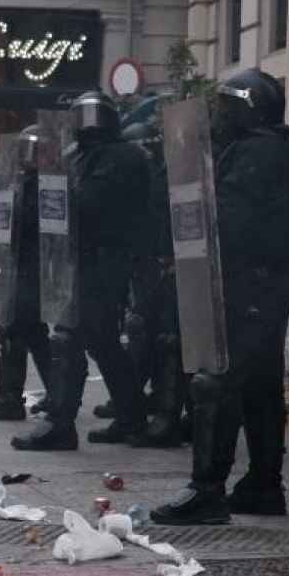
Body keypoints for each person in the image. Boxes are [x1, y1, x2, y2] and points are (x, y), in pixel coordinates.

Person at [152, 69, 289, 522]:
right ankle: (263, 484)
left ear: (248, 106)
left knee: (215, 383)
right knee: (260, 386)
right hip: (261, 282)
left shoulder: (259, 153)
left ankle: (207, 490)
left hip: (250, 282)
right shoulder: (267, 150)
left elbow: (231, 220)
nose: (220, 114)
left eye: (227, 105)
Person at [13, 93, 150, 452]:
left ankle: (61, 424)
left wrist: (60, 190)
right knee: (102, 343)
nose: (86, 123)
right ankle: (132, 418)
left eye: (90, 115)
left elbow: (92, 205)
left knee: (69, 339)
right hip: (84, 258)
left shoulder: (122, 157)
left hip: (106, 260)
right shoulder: (82, 155)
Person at [0, 126, 52, 424]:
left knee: (16, 332)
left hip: (33, 267)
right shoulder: (25, 183)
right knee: (33, 334)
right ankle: (57, 393)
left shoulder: (44, 186)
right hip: (22, 265)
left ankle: (11, 400)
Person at [122, 119, 189, 450]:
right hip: (151, 262)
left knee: (168, 340)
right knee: (144, 332)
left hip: (172, 265)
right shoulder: (150, 179)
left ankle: (168, 416)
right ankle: (140, 401)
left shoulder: (173, 177)